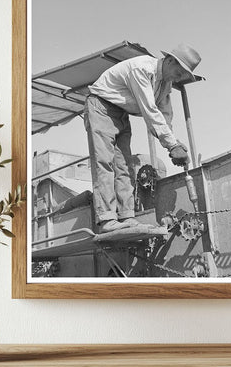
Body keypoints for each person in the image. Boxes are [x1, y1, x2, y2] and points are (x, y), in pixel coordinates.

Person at [84, 44, 202, 233]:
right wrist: (171, 145)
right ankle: (106, 219)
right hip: (101, 107)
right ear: (170, 60)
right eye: (179, 73)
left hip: (121, 113)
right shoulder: (142, 69)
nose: (178, 78)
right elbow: (150, 110)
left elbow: (165, 114)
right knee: (104, 163)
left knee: (124, 166)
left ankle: (127, 216)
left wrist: (174, 143)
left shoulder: (166, 83)